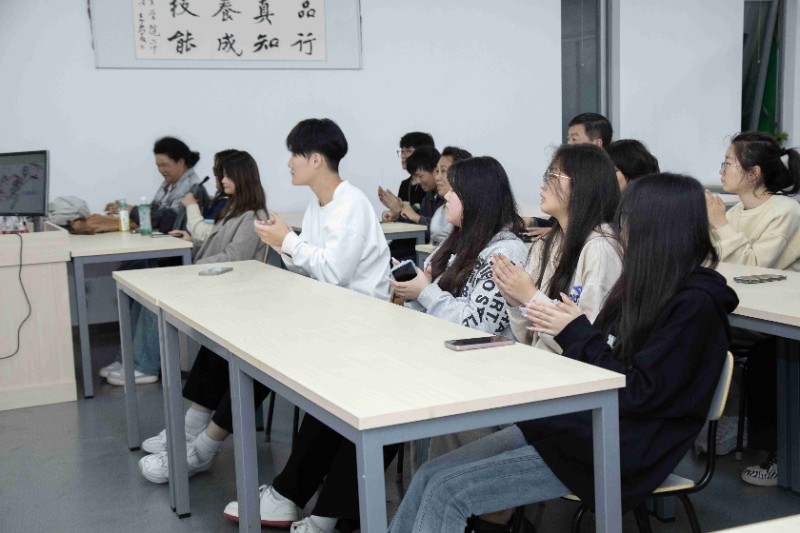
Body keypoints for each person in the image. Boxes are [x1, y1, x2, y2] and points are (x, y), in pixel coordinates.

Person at [389, 173, 739, 533]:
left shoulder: (695, 307)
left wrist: (574, 330)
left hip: (617, 447)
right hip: (579, 424)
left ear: (657, 228)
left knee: (447, 490)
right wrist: (569, 327)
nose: (622, 232)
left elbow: (637, 393)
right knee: (431, 474)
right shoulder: (645, 286)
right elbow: (609, 355)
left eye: (627, 220)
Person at [392, 156, 528, 464]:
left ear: (476, 199)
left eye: (454, 191)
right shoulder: (457, 240)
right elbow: (434, 308)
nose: (446, 196)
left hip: (484, 380)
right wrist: (414, 291)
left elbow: (477, 326)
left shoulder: (505, 252)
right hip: (448, 365)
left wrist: (425, 291)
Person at [103, 150, 269, 387]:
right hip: (210, 275)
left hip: (227, 285)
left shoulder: (253, 216)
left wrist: (192, 266)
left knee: (157, 292)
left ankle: (144, 366)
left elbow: (234, 258)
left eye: (228, 176)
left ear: (243, 177)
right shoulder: (233, 209)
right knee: (140, 290)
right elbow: (217, 244)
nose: (222, 180)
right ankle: (127, 360)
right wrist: (192, 242)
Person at [706, 131, 800, 487]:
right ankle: (717, 422)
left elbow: (754, 267)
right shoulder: (736, 212)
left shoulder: (785, 211)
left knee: (766, 355)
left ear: (754, 172)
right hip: (743, 311)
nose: (722, 170)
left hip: (776, 318)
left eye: (728, 163)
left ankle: (778, 455)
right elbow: (713, 261)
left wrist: (719, 225)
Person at [493, 144, 622, 354]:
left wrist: (530, 296)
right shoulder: (547, 243)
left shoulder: (600, 248)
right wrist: (515, 301)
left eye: (552, 176)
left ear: (582, 184)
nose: (543, 184)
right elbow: (529, 338)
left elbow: (591, 343)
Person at [104, 136, 201, 232]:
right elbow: (154, 212)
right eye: (158, 166)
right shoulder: (169, 183)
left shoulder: (192, 186)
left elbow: (169, 222)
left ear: (180, 162)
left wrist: (132, 211)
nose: (161, 170)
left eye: (164, 165)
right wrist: (125, 212)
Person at [378, 131, 436, 260]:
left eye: (408, 151)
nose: (403, 156)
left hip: (418, 245)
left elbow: (421, 222)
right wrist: (395, 215)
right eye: (402, 151)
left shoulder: (429, 187)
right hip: (404, 242)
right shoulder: (405, 184)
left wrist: (399, 211)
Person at [183, 148, 237, 241]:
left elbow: (204, 235)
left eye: (217, 171)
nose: (215, 176)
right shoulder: (228, 202)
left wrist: (191, 205)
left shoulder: (225, 203)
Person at [391, 146, 441, 241]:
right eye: (415, 176)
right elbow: (418, 226)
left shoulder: (449, 196)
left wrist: (416, 217)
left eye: (420, 176)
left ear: (435, 171)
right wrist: (397, 216)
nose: (417, 181)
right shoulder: (429, 196)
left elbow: (442, 231)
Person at [428, 146, 472, 245]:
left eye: (443, 171)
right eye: (437, 171)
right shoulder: (440, 210)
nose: (437, 177)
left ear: (461, 174)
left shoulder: (470, 213)